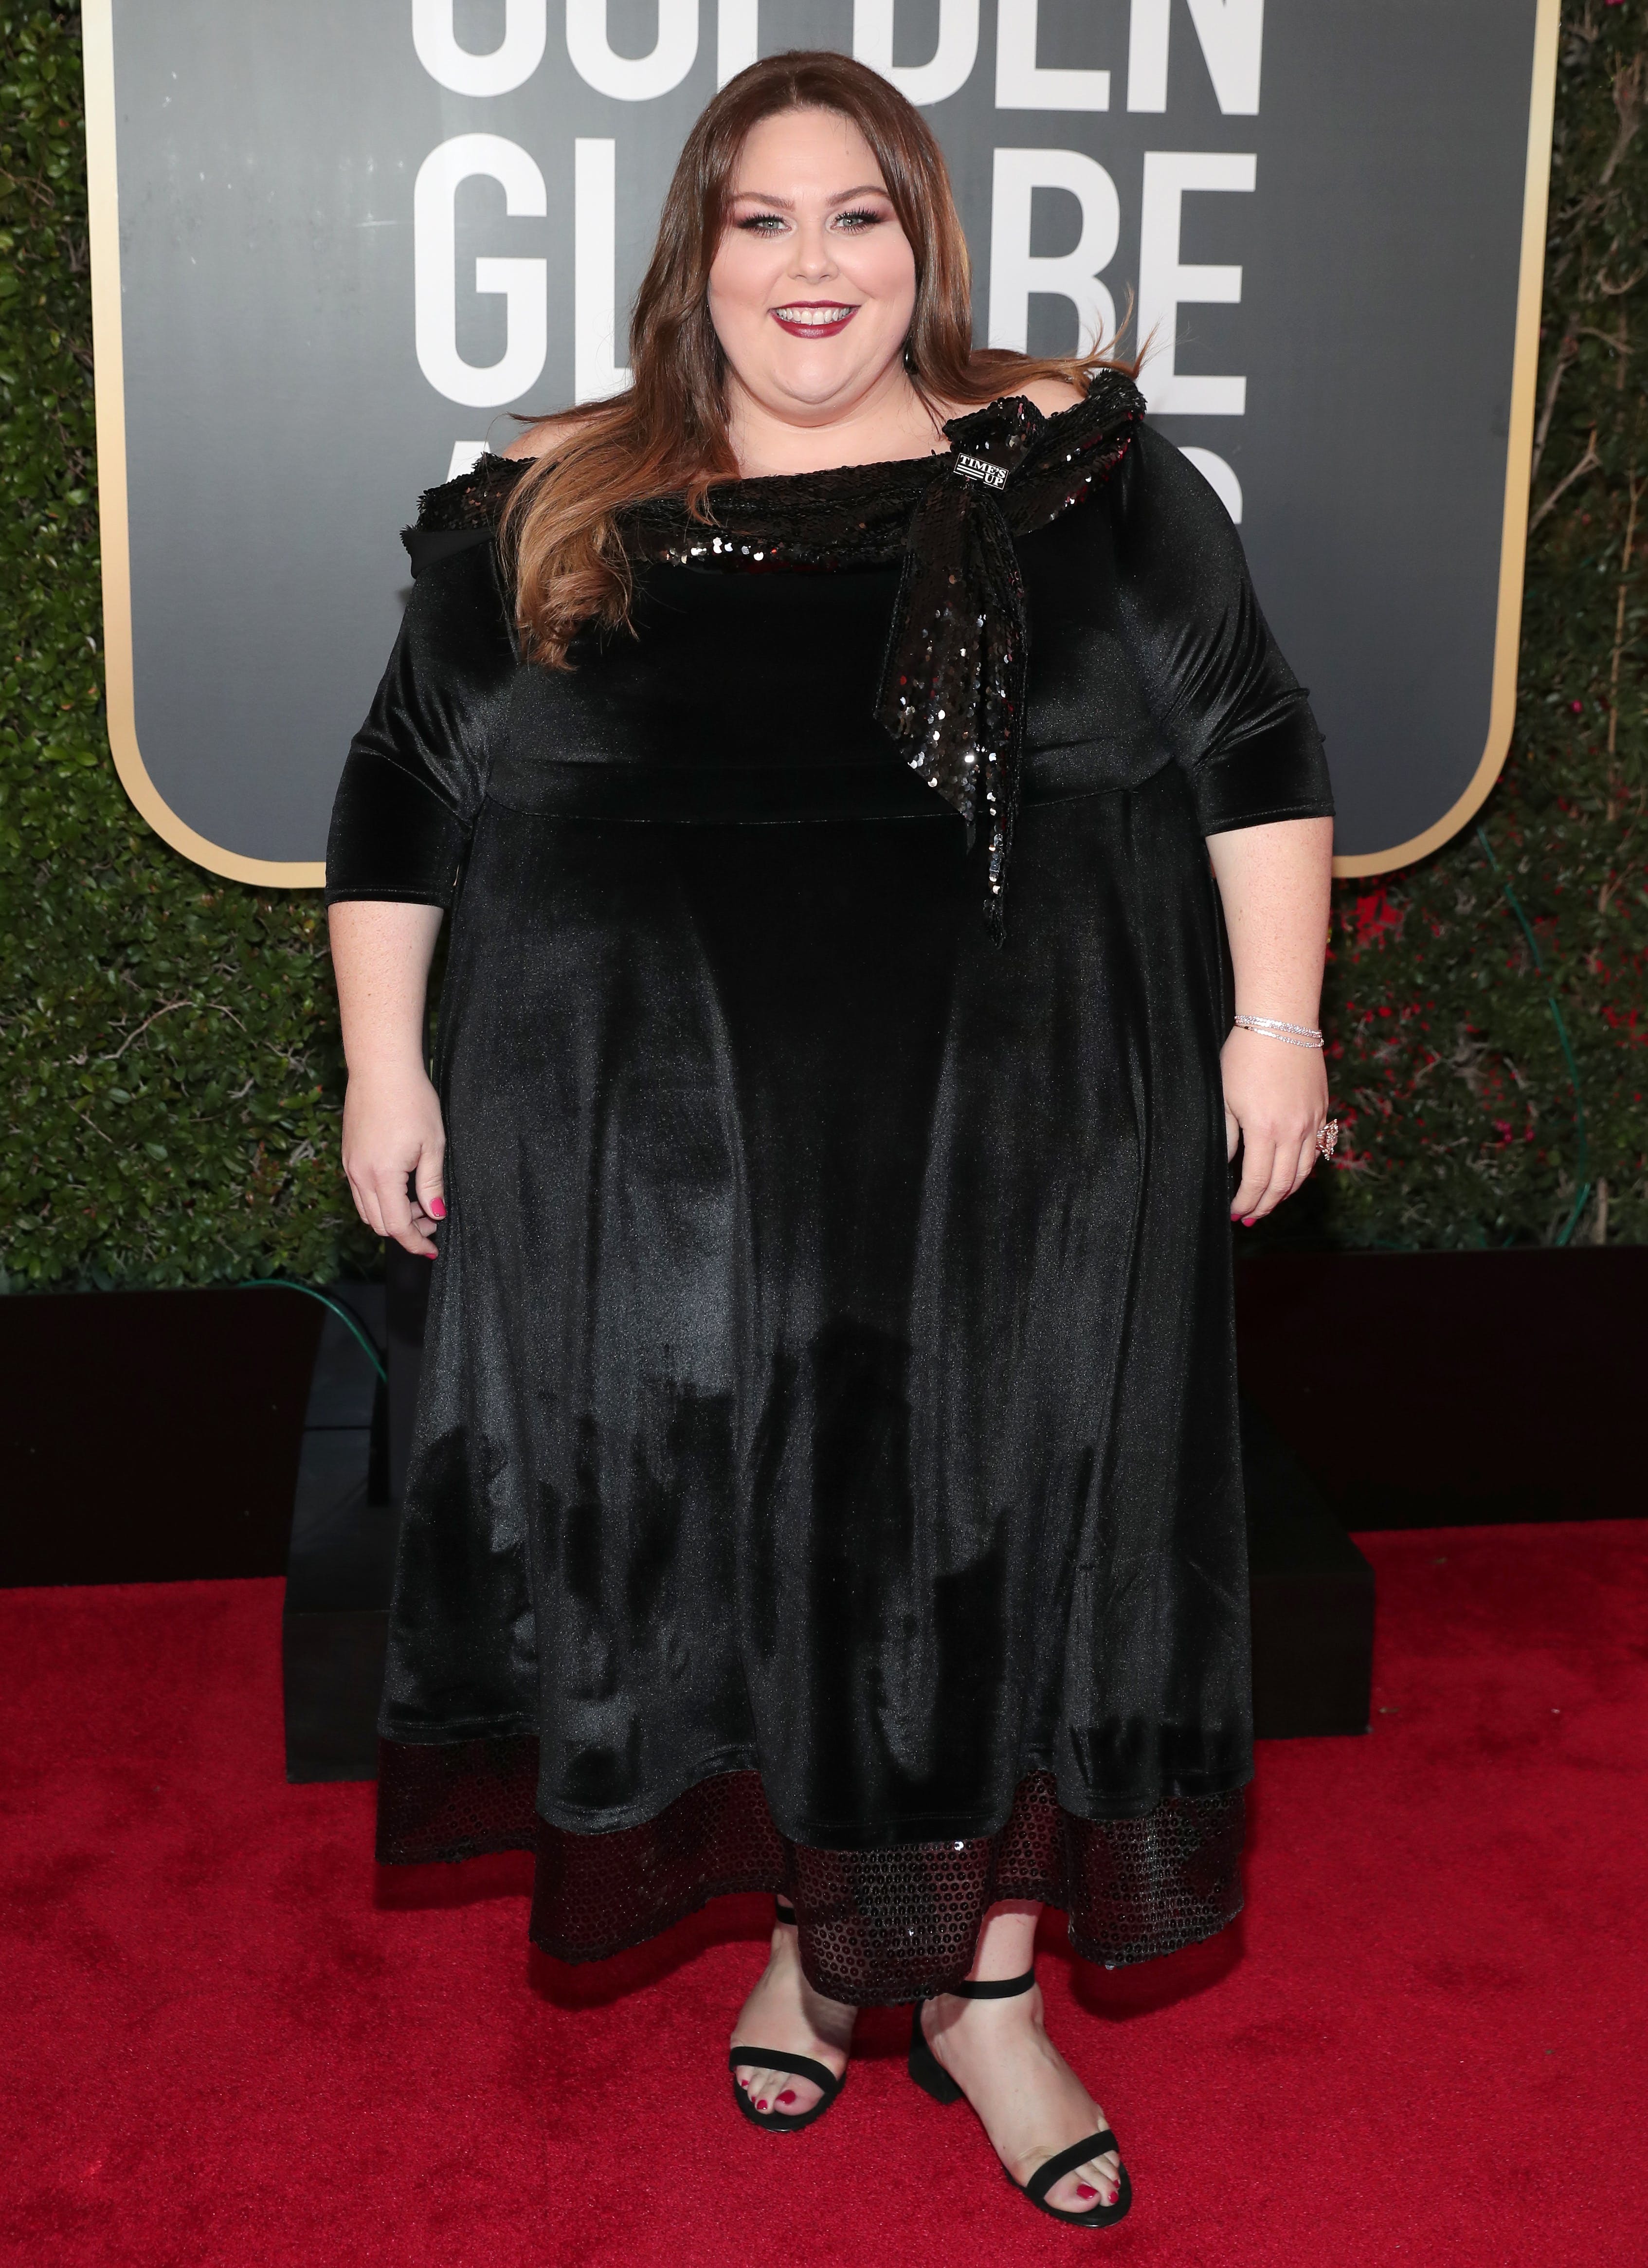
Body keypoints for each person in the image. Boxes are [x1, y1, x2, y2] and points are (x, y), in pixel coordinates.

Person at [325, 51, 1334, 2231]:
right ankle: (815, 1937)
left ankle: (986, 1996)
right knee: (753, 1547)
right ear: (695, 255)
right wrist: (384, 1067)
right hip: (679, 1164)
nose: (812, 264)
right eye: (762, 219)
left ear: (922, 242)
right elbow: (408, 779)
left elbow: (1248, 729)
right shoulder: (557, 499)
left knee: (1016, 1541)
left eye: (857, 215)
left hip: (1037, 1134)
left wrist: (1275, 1023)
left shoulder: (1073, 472)